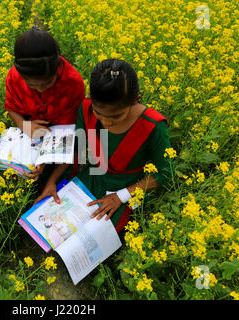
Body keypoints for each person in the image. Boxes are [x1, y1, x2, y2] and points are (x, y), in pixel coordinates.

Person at [33, 59, 173, 233]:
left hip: (129, 186)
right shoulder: (86, 109)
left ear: (136, 100)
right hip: (94, 176)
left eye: (116, 116)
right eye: (99, 113)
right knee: (53, 223)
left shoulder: (152, 124)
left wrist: (121, 197)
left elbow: (165, 171)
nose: (106, 122)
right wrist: (52, 181)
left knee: (96, 234)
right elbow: (76, 149)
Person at [4, 26, 85, 180]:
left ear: (57, 68)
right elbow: (11, 107)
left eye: (48, 83)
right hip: (29, 138)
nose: (41, 90)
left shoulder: (72, 83)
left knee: (66, 179)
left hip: (63, 137)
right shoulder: (14, 76)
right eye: (33, 86)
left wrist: (44, 159)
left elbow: (69, 129)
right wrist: (24, 125)